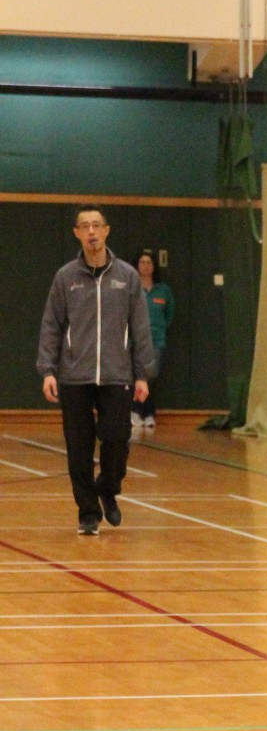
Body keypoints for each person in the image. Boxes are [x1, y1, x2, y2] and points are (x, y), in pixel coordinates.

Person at [36, 206, 154, 535]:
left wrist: (142, 374)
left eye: (96, 226)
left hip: (117, 374)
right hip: (74, 376)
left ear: (106, 231)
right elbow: (51, 325)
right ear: (77, 233)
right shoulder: (65, 278)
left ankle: (108, 487)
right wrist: (48, 370)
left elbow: (140, 327)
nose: (91, 232)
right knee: (79, 448)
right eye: (85, 226)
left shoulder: (127, 277)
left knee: (117, 440)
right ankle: (88, 512)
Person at [133, 251, 175, 434]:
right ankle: (144, 413)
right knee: (137, 376)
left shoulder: (163, 290)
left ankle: (140, 410)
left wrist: (160, 327)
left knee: (150, 375)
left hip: (156, 339)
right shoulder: (132, 287)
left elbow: (170, 313)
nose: (145, 266)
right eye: (142, 262)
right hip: (136, 340)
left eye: (149, 262)